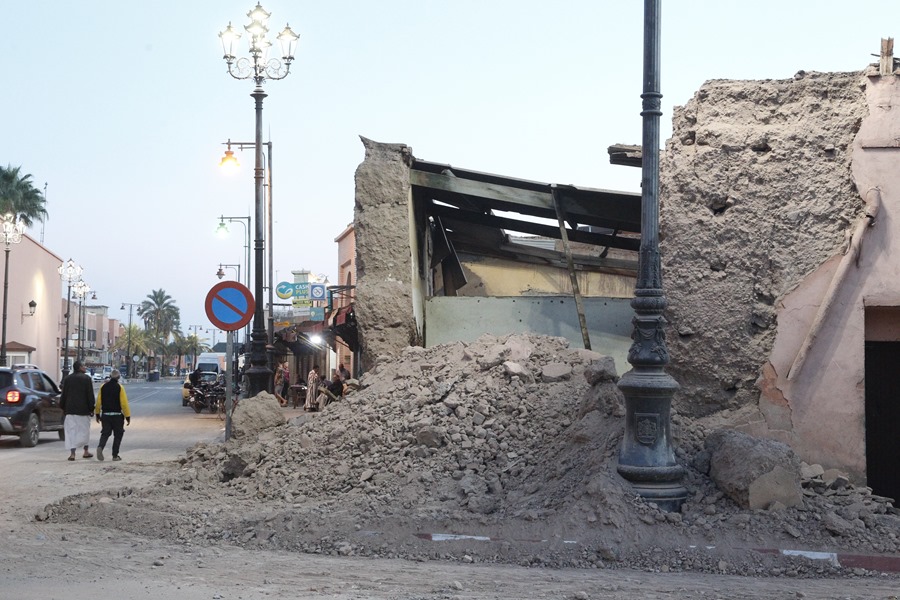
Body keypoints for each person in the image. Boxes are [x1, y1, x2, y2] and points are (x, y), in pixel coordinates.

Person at [60, 360, 96, 461]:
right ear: (79, 367)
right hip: (83, 411)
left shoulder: (67, 379)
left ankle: (72, 454)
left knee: (71, 431)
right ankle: (85, 451)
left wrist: (62, 407)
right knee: (84, 431)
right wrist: (91, 408)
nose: (85, 367)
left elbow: (64, 394)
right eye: (84, 366)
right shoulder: (87, 379)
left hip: (70, 410)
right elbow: (90, 395)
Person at [94, 369, 131, 461]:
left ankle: (100, 447)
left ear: (110, 376)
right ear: (118, 377)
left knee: (105, 433)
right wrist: (127, 416)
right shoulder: (120, 387)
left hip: (106, 415)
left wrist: (97, 413)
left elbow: (98, 402)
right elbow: (124, 403)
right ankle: (115, 455)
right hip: (117, 415)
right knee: (118, 434)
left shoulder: (103, 387)